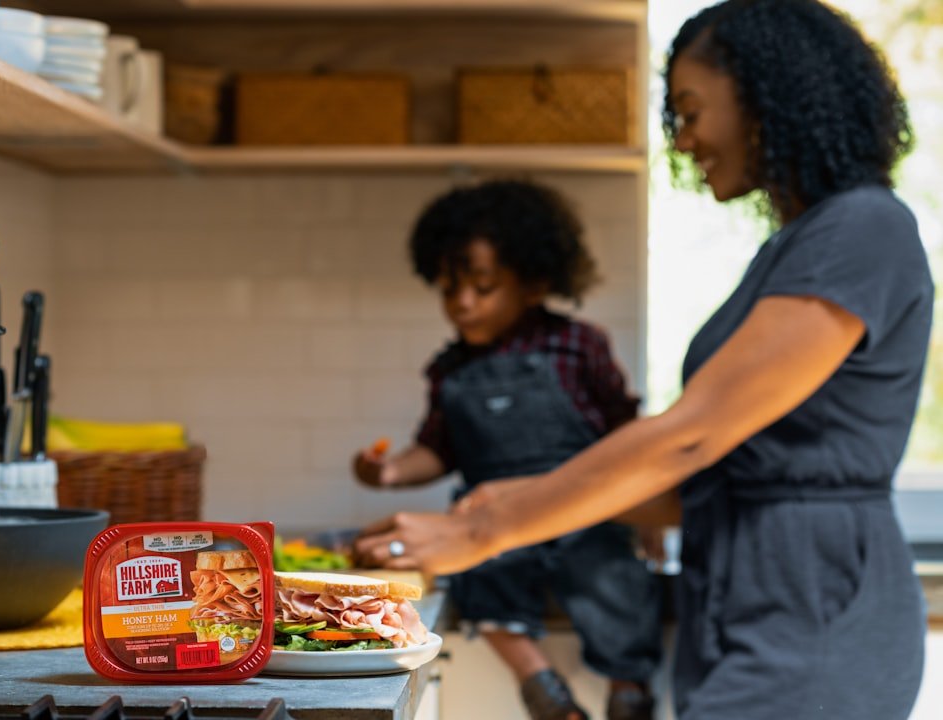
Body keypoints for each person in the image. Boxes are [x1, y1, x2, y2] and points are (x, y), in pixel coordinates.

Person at [354, 2, 932, 719]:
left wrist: (478, 534)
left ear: (766, 96)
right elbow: (720, 474)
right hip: (740, 608)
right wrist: (505, 499)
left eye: (691, 111)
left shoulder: (864, 228)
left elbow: (692, 434)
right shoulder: (799, 245)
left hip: (818, 614)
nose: (684, 141)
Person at [352, 179, 663, 720]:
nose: (463, 304)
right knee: (479, 577)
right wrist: (390, 471)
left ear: (535, 282)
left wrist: (647, 518)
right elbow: (437, 449)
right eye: (450, 290)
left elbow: (624, 436)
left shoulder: (578, 346)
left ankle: (628, 690)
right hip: (488, 520)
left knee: (615, 577)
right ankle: (542, 687)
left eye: (482, 286)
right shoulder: (449, 367)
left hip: (582, 513)